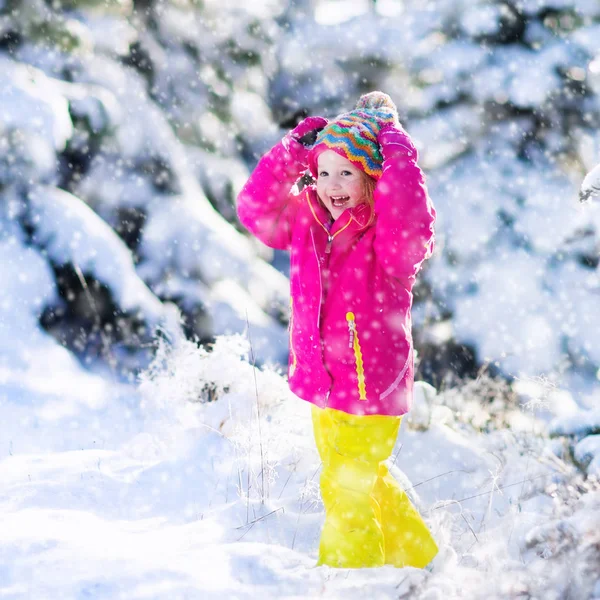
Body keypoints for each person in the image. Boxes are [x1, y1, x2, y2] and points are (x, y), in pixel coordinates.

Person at [237, 91, 438, 569]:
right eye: (323, 171)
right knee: (363, 483)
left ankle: (351, 581)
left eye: (346, 171)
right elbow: (255, 210)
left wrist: (397, 152)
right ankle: (419, 562)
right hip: (324, 381)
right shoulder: (306, 219)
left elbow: (409, 224)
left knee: (344, 490)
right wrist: (290, 152)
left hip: (373, 386)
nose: (332, 183)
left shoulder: (387, 235)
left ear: (373, 178)